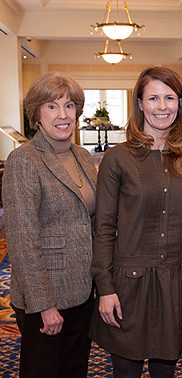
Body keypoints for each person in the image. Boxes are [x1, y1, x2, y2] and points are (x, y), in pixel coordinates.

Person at [90, 66, 182, 378]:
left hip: (173, 282)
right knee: (126, 372)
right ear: (140, 104)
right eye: (153, 98)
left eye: (169, 98)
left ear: (180, 104)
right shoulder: (118, 159)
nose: (162, 106)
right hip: (126, 285)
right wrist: (105, 287)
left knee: (165, 372)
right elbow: (102, 227)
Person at [2, 72, 97, 378]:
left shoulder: (82, 155)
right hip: (45, 296)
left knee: (75, 369)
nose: (63, 115)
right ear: (36, 114)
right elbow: (22, 239)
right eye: (52, 107)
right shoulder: (24, 160)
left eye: (69, 106)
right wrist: (44, 305)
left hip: (83, 289)